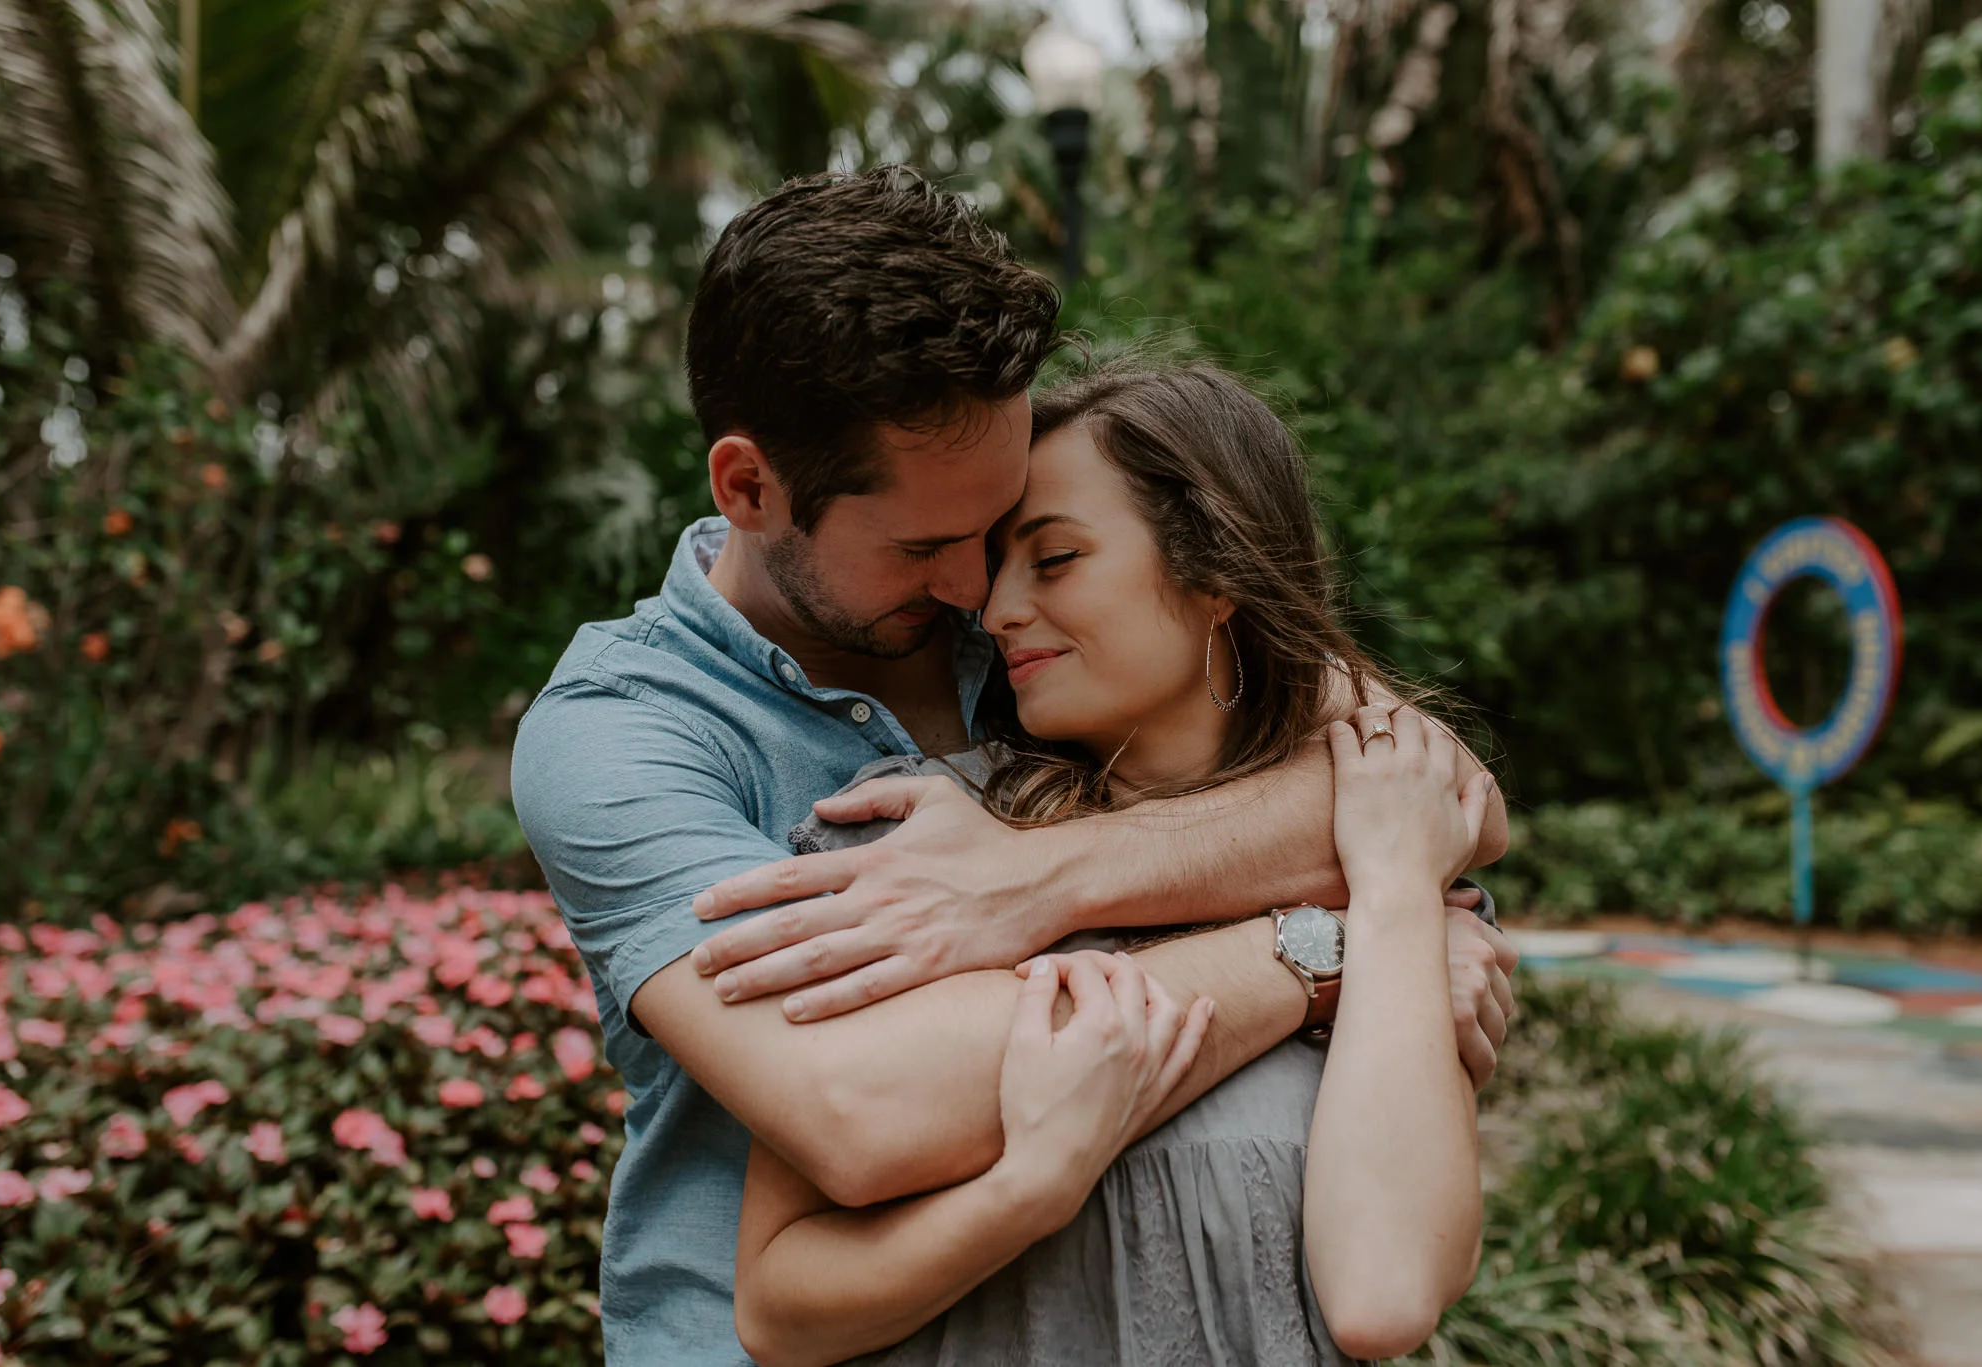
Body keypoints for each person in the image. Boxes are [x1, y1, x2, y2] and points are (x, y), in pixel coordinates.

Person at [509, 165, 1517, 1367]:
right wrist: (1341, 945)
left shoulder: (1047, 621)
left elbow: (1435, 789)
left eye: (1004, 527)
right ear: (748, 486)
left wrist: (1042, 881)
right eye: (929, 544)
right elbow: (859, 1110)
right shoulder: (623, 731)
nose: (977, 591)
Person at [729, 364, 1494, 1366]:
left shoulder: (1390, 870)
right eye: (998, 566)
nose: (994, 606)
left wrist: (1393, 890)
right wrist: (1023, 1190)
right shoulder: (911, 851)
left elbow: (1382, 1295)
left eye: (1052, 560)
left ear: (1217, 574)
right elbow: (778, 1307)